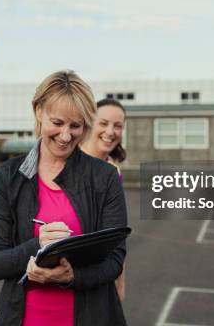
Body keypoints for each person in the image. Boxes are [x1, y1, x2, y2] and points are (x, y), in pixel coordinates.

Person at [0, 70, 128, 326]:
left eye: (75, 126)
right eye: (57, 123)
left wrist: (72, 277)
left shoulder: (104, 177)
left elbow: (115, 260)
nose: (65, 136)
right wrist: (37, 245)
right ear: (38, 111)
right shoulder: (8, 178)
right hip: (25, 317)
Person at [80, 98, 127, 301]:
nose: (110, 132)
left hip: (102, 275)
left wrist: (120, 283)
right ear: (89, 123)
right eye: (103, 123)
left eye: (118, 126)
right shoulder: (69, 162)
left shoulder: (114, 171)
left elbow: (116, 234)